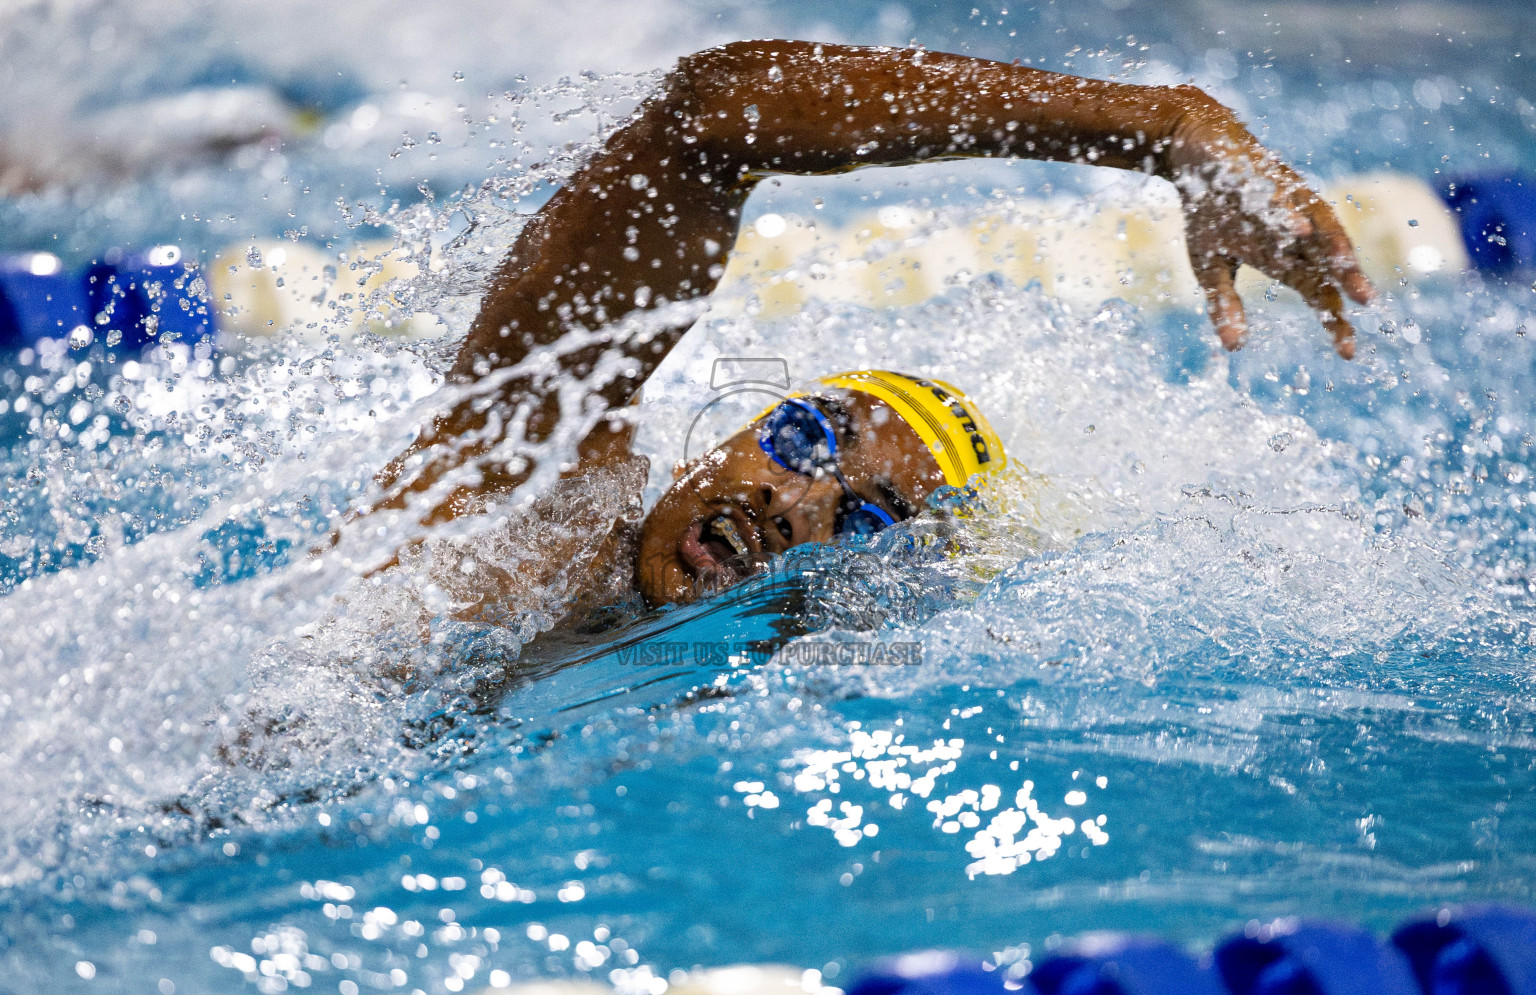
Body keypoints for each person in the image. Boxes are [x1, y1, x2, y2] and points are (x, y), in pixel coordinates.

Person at [353, 39, 1373, 613]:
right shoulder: (537, 480)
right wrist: (1163, 131)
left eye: (862, 519)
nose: (791, 502)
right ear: (737, 427)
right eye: (804, 436)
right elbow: (710, 118)